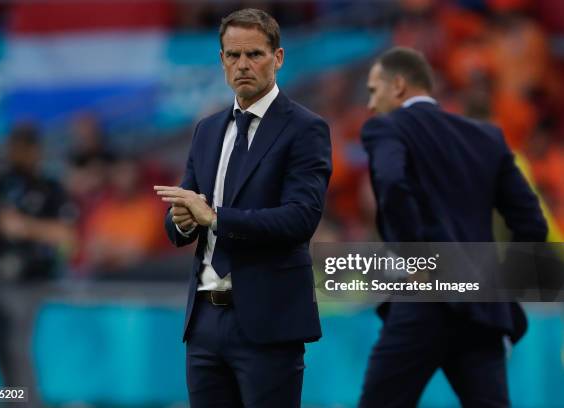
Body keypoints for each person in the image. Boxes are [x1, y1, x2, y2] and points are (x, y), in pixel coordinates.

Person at [155, 8, 332, 408]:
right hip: (203, 322)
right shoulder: (206, 130)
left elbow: (302, 217)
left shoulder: (306, 129)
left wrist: (215, 218)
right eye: (233, 56)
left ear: (278, 58)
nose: (243, 65)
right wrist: (182, 221)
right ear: (221, 61)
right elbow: (181, 220)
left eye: (254, 54)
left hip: (268, 323)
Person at [359, 47, 547, 407]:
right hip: (481, 306)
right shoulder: (486, 138)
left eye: (373, 90)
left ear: (398, 85)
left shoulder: (387, 127)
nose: (370, 104)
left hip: (423, 302)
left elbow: (392, 183)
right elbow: (531, 224)